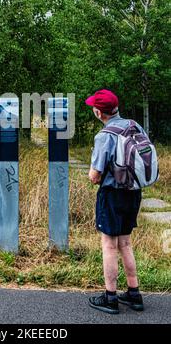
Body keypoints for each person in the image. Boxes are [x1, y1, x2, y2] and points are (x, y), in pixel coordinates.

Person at [85, 89, 145, 314]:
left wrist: (93, 170)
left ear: (99, 113)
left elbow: (95, 176)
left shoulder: (104, 136)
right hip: (134, 192)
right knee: (126, 243)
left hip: (112, 194)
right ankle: (134, 294)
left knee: (109, 245)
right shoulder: (134, 126)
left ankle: (110, 298)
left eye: (94, 107)